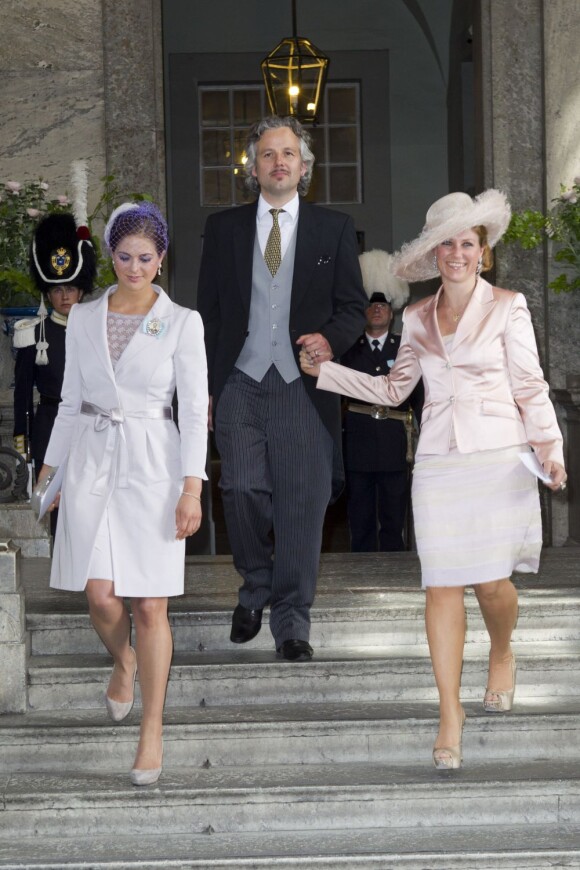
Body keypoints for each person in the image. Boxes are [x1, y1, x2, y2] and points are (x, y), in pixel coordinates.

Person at [300, 189, 566, 768]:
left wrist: (550, 446)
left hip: (499, 459)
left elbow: (530, 385)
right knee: (441, 585)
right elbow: (396, 392)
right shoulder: (416, 318)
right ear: (433, 254)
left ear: (482, 252)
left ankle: (501, 651)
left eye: (467, 243)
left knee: (494, 586)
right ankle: (450, 711)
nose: (456, 253)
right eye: (446, 243)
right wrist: (330, 375)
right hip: (440, 465)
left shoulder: (508, 307)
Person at [35, 201, 209, 785]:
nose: (135, 267)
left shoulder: (183, 322)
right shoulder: (84, 317)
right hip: (89, 460)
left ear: (161, 259)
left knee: (150, 604)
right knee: (102, 597)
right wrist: (50, 468)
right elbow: (68, 400)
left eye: (146, 257)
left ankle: (152, 728)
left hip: (155, 467)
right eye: (125, 256)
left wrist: (192, 488)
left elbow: (193, 411)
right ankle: (123, 659)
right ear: (111, 256)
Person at [197, 115, 367, 661]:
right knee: (240, 487)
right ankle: (256, 586)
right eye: (268, 154)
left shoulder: (333, 228)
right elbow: (210, 314)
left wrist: (329, 339)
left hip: (303, 387)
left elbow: (353, 309)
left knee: (300, 504)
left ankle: (292, 620)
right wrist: (204, 386)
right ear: (254, 167)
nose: (278, 162)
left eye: (288, 153)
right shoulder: (222, 230)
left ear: (304, 166)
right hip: (240, 380)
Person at [13, 213, 96, 533]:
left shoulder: (97, 330)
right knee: (57, 508)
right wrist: (24, 445)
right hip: (49, 425)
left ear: (82, 290)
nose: (64, 296)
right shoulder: (32, 334)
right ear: (48, 292)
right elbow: (22, 395)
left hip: (90, 424)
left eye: (71, 289)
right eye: (58, 289)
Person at [341, 249, 423, 551]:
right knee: (360, 521)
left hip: (394, 446)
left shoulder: (406, 348)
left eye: (382, 305)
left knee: (393, 521)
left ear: (392, 311)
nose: (377, 310)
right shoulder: (347, 349)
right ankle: (360, 579)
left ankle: (393, 576)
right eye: (371, 305)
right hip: (358, 446)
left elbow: (419, 398)